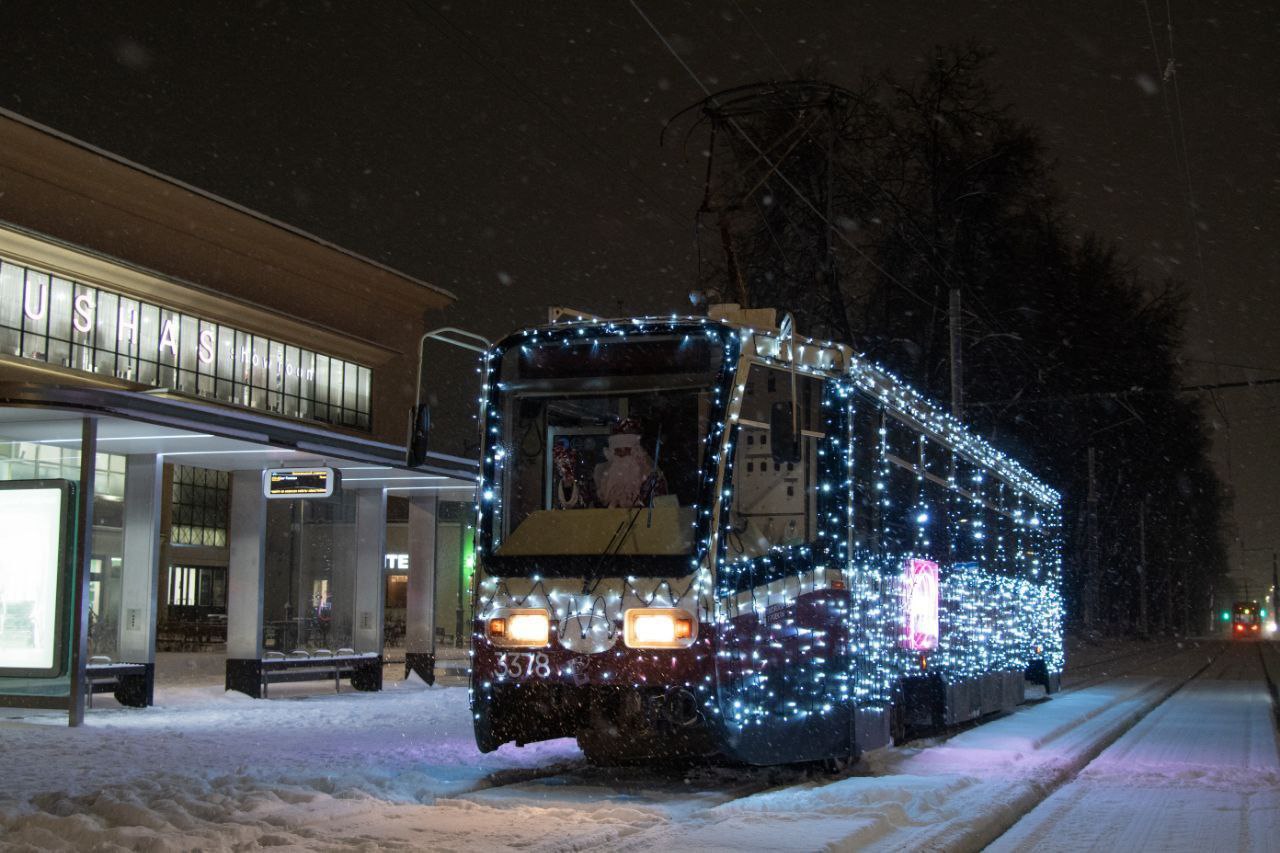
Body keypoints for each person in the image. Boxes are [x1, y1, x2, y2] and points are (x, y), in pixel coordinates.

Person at [593, 418, 666, 508]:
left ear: (636, 451)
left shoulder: (652, 479)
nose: (622, 455)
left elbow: (662, 510)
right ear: (611, 452)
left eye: (627, 450)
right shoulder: (600, 480)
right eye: (618, 451)